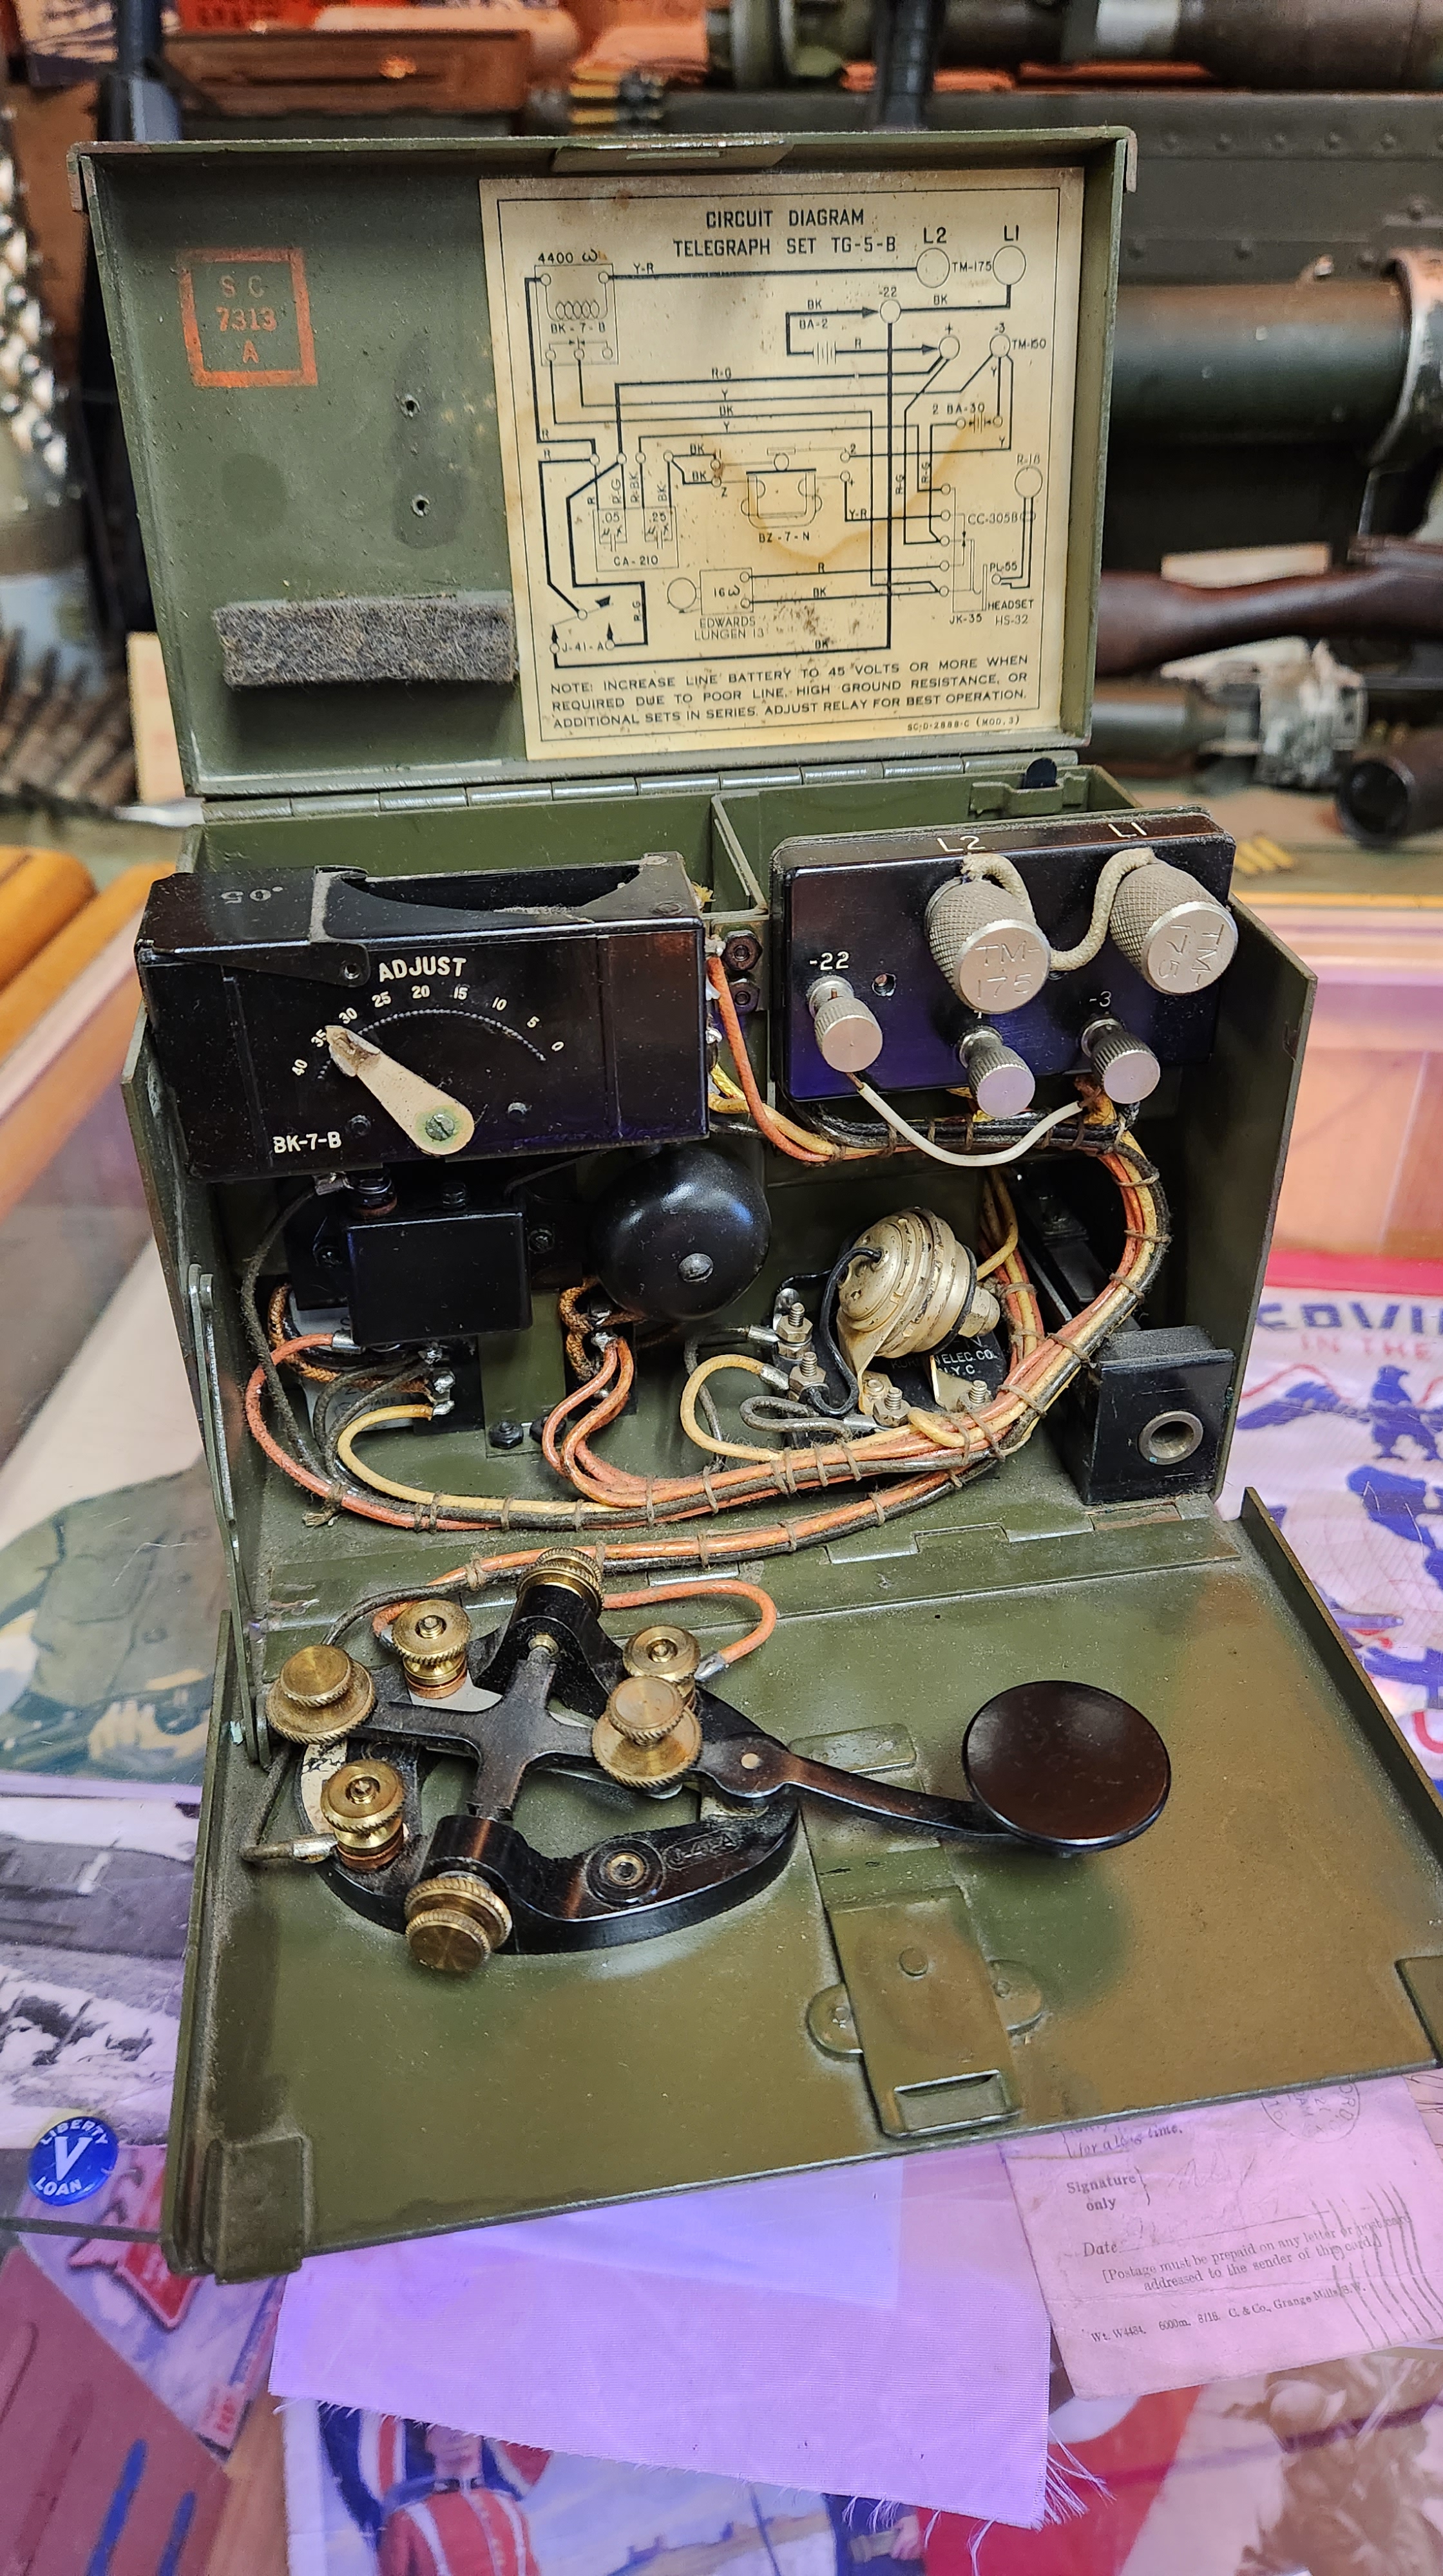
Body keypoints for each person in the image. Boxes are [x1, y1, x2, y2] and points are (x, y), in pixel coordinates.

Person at [378, 2425, 543, 2576]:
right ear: (428, 2442)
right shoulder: (407, 2521)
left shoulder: (510, 2509)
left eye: (464, 2424)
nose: (457, 2434)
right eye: (442, 2426)